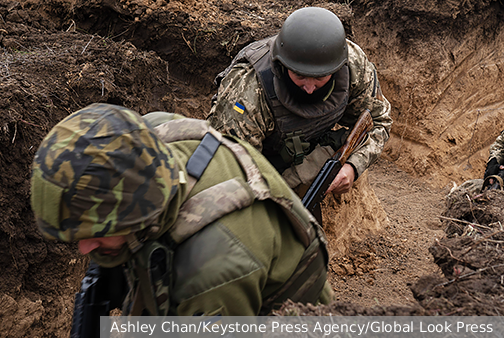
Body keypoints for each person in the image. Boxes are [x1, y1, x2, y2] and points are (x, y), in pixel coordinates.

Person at [30, 103, 333, 316]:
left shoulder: (212, 272)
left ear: (140, 212)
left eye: (97, 233)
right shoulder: (147, 137)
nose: (84, 248)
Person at [206, 7, 392, 197]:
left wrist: (353, 166)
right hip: (259, 166)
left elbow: (378, 121)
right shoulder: (248, 91)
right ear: (282, 64)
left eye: (320, 77)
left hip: (308, 149)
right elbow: (228, 173)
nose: (310, 88)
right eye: (300, 76)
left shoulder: (352, 64)